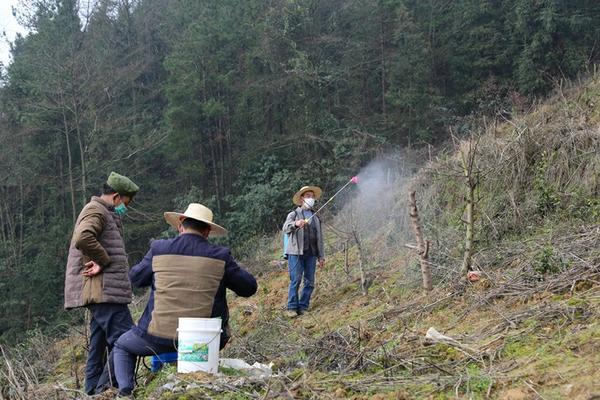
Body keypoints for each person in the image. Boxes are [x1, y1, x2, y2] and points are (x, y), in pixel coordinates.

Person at [113, 203, 258, 397]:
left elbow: (136, 278)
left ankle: (125, 392)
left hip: (157, 338)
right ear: (207, 231)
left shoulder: (159, 249)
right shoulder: (220, 256)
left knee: (122, 346)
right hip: (204, 341)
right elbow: (249, 288)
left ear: (180, 224)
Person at [64, 171, 139, 395]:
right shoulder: (96, 210)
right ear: (116, 197)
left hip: (104, 291)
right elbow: (83, 237)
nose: (127, 207)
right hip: (105, 291)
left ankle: (91, 393)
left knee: (98, 346)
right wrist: (103, 260)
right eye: (126, 202)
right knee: (127, 341)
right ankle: (104, 391)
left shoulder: (104, 213)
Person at [282, 186, 326, 317]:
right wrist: (296, 224)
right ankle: (291, 307)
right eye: (308, 196)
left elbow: (320, 238)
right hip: (295, 253)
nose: (310, 198)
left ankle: (303, 306)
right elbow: (285, 228)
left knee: (310, 281)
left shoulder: (316, 217)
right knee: (296, 279)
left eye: (312, 196)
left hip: (311, 253)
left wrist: (321, 256)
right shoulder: (294, 214)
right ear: (301, 198)